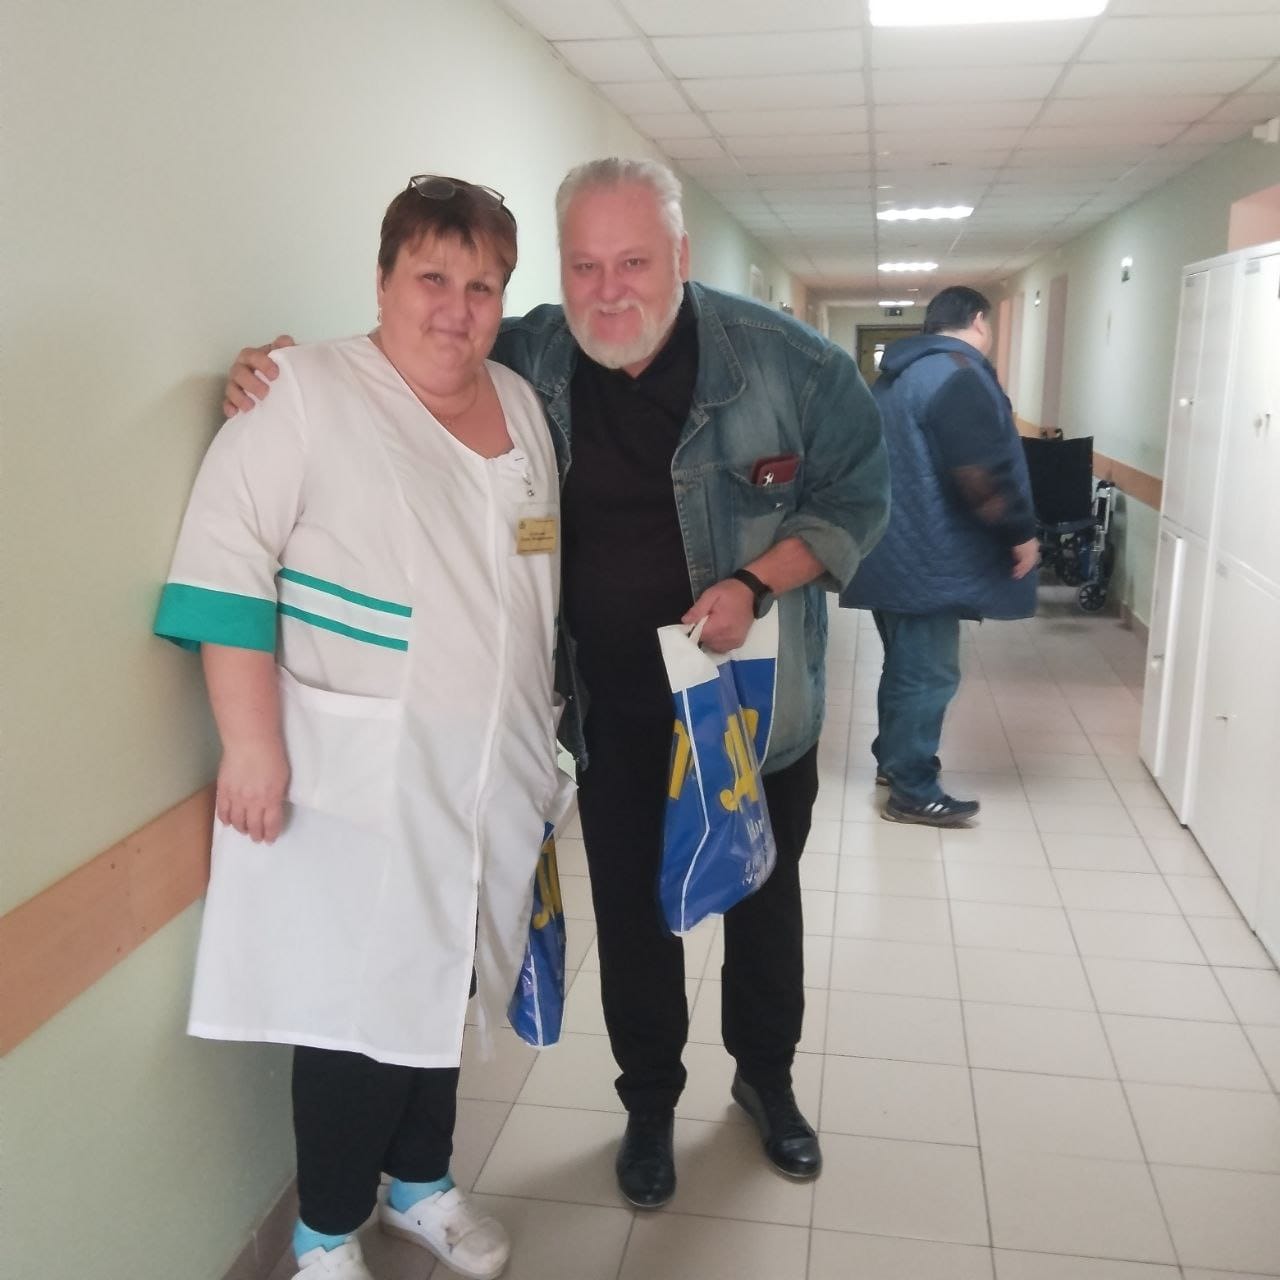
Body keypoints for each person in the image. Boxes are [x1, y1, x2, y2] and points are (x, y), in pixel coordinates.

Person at [222, 157, 889, 1210]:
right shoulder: (532, 350)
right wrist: (277, 369)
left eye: (634, 263)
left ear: (680, 256)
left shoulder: (791, 367)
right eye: (584, 265)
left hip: (746, 715)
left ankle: (767, 1081)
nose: (608, 291)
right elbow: (411, 351)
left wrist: (757, 581)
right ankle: (648, 1107)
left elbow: (857, 500)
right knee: (633, 922)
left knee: (762, 903)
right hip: (613, 714)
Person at [157, 176, 568, 1280]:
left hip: (491, 769)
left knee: (446, 980)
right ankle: (324, 1231)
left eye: (482, 286)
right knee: (352, 1007)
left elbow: (529, 580)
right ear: (382, 280)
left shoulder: (519, 405)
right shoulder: (301, 390)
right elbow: (224, 568)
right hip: (357, 779)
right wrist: (250, 743)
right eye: (432, 277)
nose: (457, 308)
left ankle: (421, 1183)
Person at [841, 285, 1039, 827]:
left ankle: (894, 763)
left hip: (888, 548)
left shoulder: (897, 376)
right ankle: (912, 789)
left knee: (906, 667)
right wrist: (1019, 532)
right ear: (978, 320)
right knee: (928, 675)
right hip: (927, 557)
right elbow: (979, 471)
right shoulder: (957, 374)